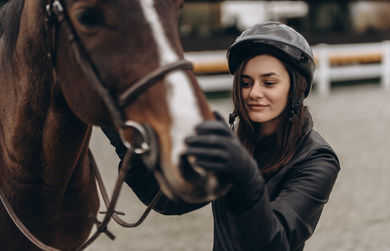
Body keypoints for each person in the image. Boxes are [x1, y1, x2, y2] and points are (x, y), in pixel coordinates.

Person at [102, 21, 340, 251]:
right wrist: (120, 131)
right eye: (246, 83)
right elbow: (167, 200)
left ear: (297, 88)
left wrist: (244, 175)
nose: (254, 93)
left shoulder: (318, 160)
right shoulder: (234, 142)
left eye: (269, 82)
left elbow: (275, 242)